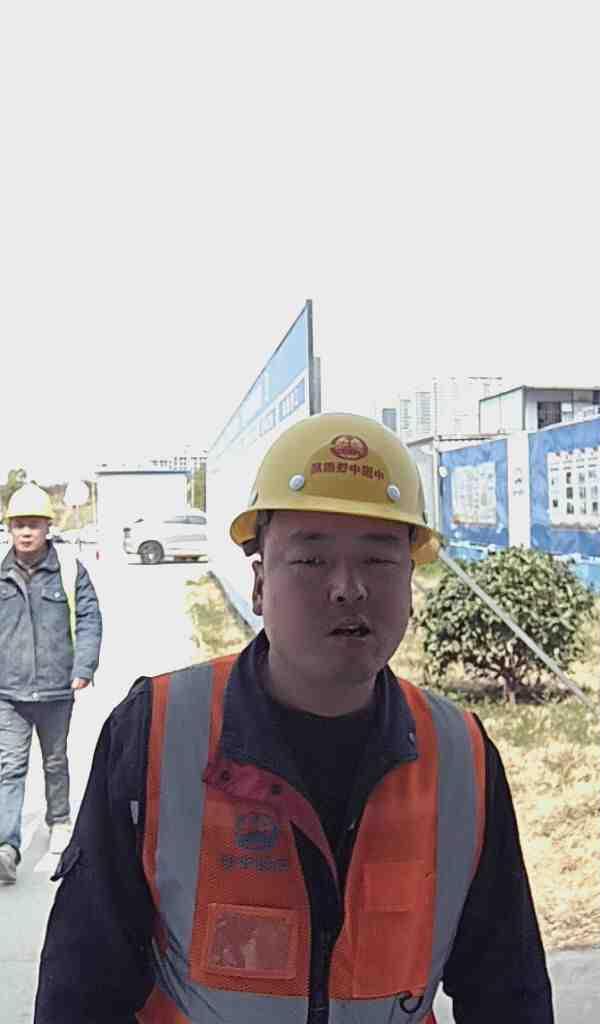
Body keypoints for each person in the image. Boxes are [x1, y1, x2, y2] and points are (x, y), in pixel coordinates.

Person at [34, 414, 553, 1023]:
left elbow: (508, 990)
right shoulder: (155, 733)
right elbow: (82, 988)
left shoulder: (460, 755)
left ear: (412, 583)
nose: (347, 588)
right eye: (311, 559)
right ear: (260, 584)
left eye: (378, 559)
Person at [0, 483, 102, 884]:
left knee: (55, 761)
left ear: (47, 527)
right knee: (9, 767)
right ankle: (7, 847)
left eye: (34, 524)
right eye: (19, 525)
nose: (26, 532)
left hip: (57, 688)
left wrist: (85, 666)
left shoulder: (70, 570)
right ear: (9, 528)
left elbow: (90, 618)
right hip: (9, 691)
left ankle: (59, 819)